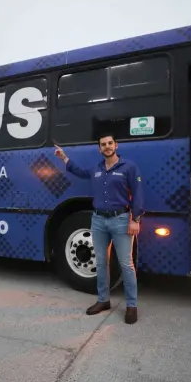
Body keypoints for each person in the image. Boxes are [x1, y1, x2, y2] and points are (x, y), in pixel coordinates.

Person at [54, 133, 144, 324]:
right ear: (99, 149)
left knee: (126, 265)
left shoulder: (129, 167)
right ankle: (103, 301)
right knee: (101, 263)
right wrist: (64, 157)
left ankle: (131, 305)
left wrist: (135, 219)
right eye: (103, 144)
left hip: (120, 220)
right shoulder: (96, 169)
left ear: (116, 145)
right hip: (98, 221)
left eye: (110, 143)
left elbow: (138, 194)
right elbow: (78, 171)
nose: (107, 146)